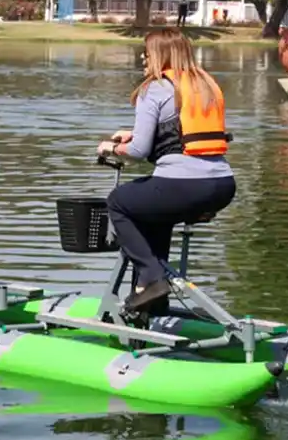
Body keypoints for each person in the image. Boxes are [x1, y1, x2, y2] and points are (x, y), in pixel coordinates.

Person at [96, 28, 237, 323]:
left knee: (119, 202)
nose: (143, 58)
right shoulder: (205, 83)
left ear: (160, 55)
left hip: (185, 185)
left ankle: (151, 276)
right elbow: (181, 134)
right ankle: (154, 302)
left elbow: (138, 151)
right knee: (153, 211)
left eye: (147, 53)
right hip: (223, 185)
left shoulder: (156, 87)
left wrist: (111, 147)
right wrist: (132, 135)